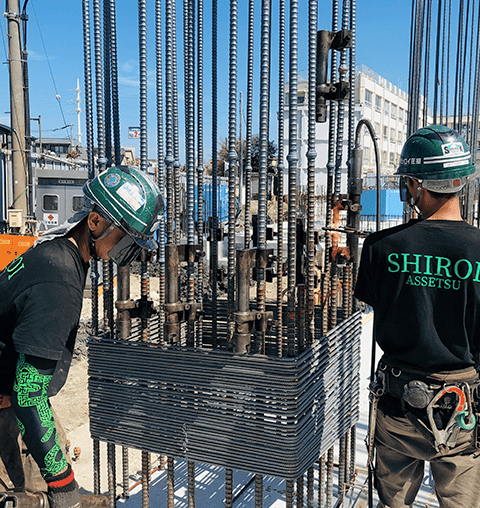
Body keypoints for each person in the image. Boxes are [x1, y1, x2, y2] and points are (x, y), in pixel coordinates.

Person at [0, 166, 163, 507]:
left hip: (12, 396)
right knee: (38, 497)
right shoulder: (59, 279)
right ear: (95, 222)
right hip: (11, 405)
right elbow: (29, 396)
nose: (127, 254)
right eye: (126, 240)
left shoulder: (57, 252)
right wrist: (63, 487)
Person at [354, 125, 480, 508]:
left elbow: (378, 304)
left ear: (415, 185)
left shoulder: (380, 248)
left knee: (393, 503)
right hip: (462, 409)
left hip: (399, 404)